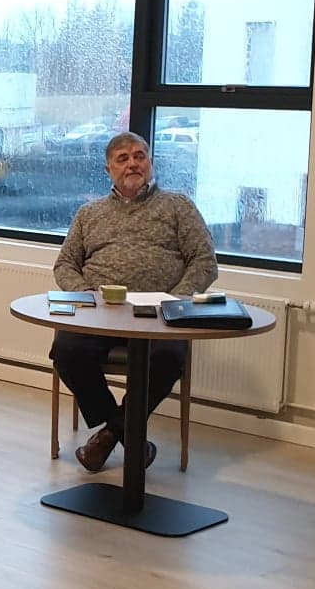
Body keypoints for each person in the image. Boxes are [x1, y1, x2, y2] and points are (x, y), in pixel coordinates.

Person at [51, 131, 218, 471]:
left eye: (139, 156)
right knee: (66, 351)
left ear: (150, 162)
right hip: (101, 314)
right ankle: (127, 435)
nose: (133, 164)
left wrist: (174, 300)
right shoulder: (89, 213)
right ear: (108, 169)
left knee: (169, 356)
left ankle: (108, 436)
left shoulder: (178, 206)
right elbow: (65, 264)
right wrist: (87, 294)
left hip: (159, 317)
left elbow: (204, 261)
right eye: (123, 158)